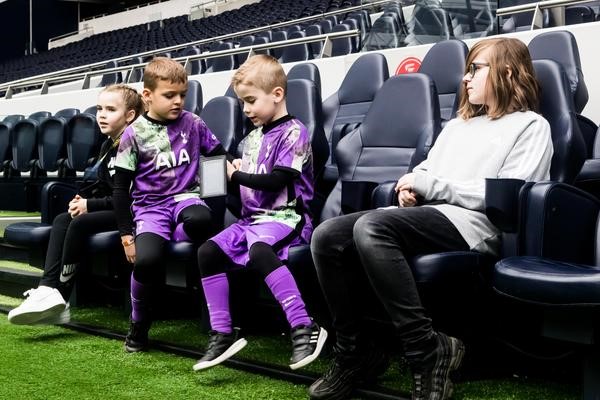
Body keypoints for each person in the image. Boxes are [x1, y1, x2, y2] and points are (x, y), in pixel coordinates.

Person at [308, 37, 554, 400]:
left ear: (507, 72)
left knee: (371, 226)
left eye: (475, 69)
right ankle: (355, 350)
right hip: (430, 215)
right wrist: (409, 189)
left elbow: (505, 196)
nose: (465, 79)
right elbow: (425, 171)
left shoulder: (532, 126)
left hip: (473, 224)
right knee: (327, 236)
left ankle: (425, 351)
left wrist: (430, 184)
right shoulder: (457, 126)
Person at [192, 55, 327, 372]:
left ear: (277, 94)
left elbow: (277, 181)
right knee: (208, 251)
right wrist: (218, 178)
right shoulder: (250, 140)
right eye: (242, 103)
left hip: (287, 218)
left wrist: (234, 175)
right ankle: (223, 332)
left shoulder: (296, 133)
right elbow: (244, 196)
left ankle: (304, 325)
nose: (246, 109)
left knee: (259, 250)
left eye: (251, 101)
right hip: (250, 221)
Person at [112, 57, 229, 352]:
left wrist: (213, 192)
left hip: (187, 199)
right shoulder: (132, 135)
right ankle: (139, 324)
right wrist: (128, 236)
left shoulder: (193, 123)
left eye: (182, 95)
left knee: (201, 220)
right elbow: (120, 189)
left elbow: (217, 158)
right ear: (147, 96)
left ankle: (177, 233)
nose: (178, 101)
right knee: (148, 261)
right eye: (169, 95)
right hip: (150, 209)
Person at [7, 84, 145, 326]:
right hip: (115, 208)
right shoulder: (107, 145)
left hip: (135, 212)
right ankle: (48, 289)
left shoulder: (136, 144)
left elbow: (129, 197)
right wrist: (82, 200)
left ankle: (61, 296)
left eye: (111, 109)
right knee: (63, 218)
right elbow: (106, 187)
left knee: (80, 222)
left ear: (130, 115)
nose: (101, 114)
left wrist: (90, 205)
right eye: (100, 108)